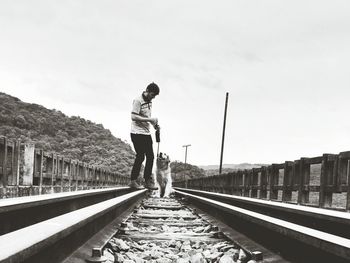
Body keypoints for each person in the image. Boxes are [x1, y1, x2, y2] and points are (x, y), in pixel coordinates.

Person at [129, 82, 160, 190]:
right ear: (147, 91)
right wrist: (149, 120)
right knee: (141, 156)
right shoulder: (138, 100)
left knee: (150, 156)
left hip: (146, 133)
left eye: (154, 96)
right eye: (152, 95)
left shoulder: (149, 102)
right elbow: (133, 116)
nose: (153, 98)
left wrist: (155, 125)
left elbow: (147, 117)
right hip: (136, 133)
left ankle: (147, 181)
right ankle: (133, 181)